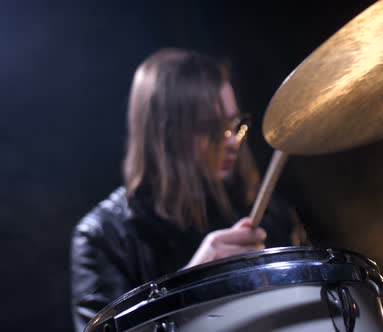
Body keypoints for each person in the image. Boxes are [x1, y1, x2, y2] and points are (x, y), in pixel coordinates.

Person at [70, 48, 306, 331]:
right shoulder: (102, 238)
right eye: (212, 129)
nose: (232, 141)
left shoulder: (271, 213)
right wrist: (190, 285)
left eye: (234, 124)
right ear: (164, 136)